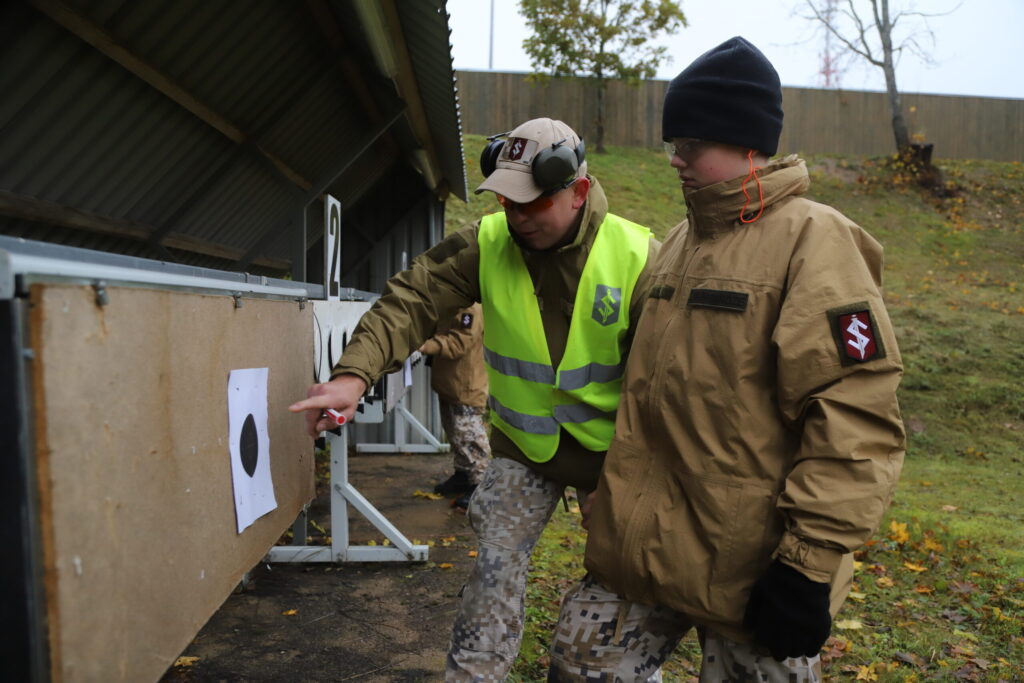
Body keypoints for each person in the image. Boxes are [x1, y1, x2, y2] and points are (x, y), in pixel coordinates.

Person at [547, 37, 906, 681]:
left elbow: (856, 418)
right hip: (642, 549)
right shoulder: (682, 240)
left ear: (745, 143)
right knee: (579, 665)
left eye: (691, 147)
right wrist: (603, 486)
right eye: (673, 146)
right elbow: (640, 387)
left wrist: (806, 567)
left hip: (753, 567)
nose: (675, 161)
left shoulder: (815, 241)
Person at [289, 117, 660, 681]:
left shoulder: (641, 258)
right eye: (508, 202)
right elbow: (411, 299)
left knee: (621, 586)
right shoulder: (488, 243)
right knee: (494, 563)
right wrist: (353, 376)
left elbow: (663, 381)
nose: (516, 217)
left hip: (616, 458)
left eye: (532, 204)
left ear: (578, 190)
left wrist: (625, 478)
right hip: (523, 451)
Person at [419, 303, 491, 509]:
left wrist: (424, 345)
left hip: (466, 386)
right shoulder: (456, 306)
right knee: (456, 435)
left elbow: (459, 343)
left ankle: (480, 485)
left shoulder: (470, 310)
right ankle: (463, 475)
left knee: (470, 437)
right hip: (451, 384)